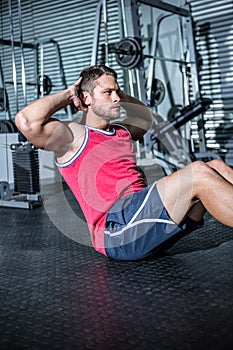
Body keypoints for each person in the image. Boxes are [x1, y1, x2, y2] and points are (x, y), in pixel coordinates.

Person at [15, 65, 233, 261]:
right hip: (116, 232)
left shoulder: (121, 131)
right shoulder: (73, 136)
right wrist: (69, 93)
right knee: (199, 172)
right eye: (107, 92)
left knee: (216, 167)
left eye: (116, 91)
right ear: (87, 98)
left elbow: (145, 119)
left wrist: (120, 94)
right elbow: (25, 121)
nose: (115, 98)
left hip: (139, 218)